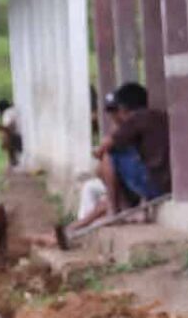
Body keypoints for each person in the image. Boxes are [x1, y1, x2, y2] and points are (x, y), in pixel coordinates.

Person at [55, 83, 170, 246]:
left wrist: (115, 132)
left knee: (108, 157)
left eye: (115, 111)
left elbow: (102, 149)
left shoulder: (137, 118)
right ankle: (74, 228)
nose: (113, 117)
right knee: (105, 198)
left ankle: (115, 211)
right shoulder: (154, 117)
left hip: (155, 185)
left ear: (123, 109)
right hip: (163, 183)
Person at [0, 98, 21, 168]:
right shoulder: (13, 110)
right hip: (20, 135)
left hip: (17, 137)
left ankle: (12, 160)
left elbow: (8, 127)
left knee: (6, 135)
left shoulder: (7, 113)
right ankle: (13, 160)